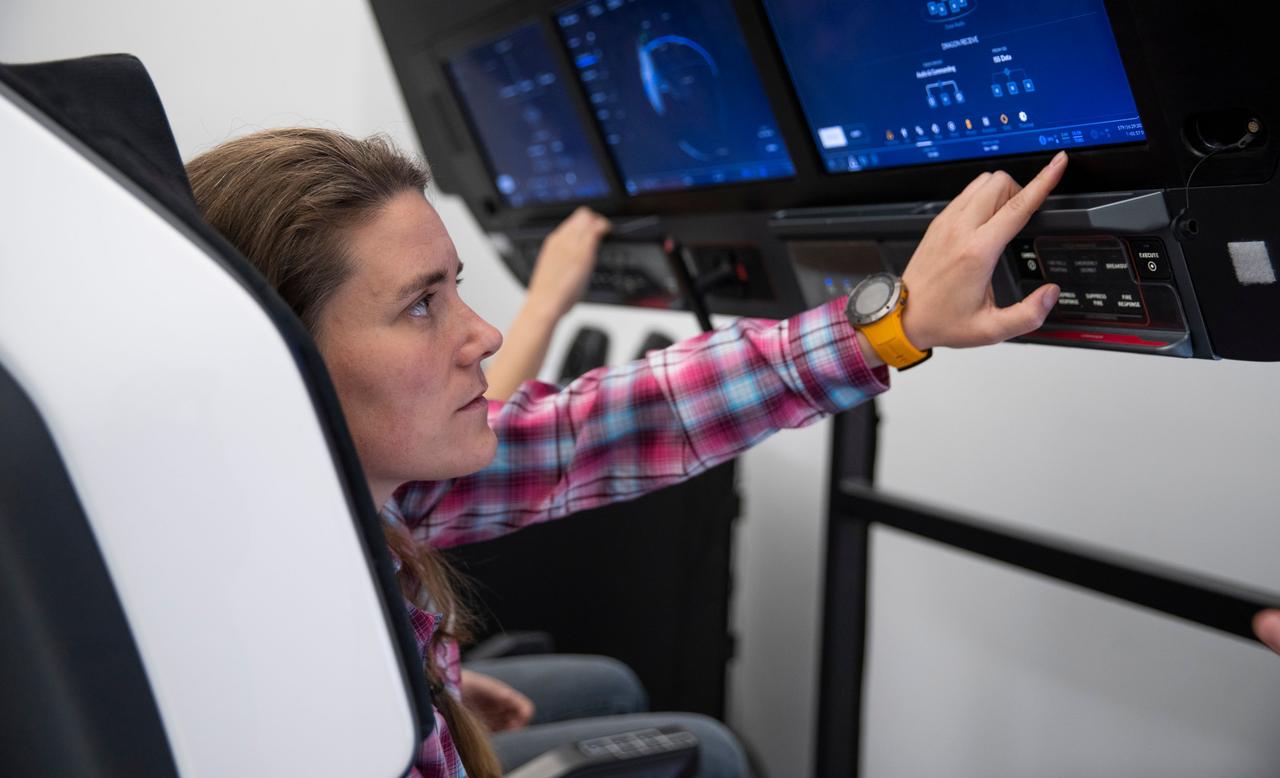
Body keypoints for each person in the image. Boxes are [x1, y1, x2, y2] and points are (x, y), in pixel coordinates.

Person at [185, 127, 1066, 778]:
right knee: (708, 752)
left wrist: (893, 325)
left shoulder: (367, 493)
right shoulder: (302, 654)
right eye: (422, 305)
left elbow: (608, 424)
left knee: (604, 686)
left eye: (456, 289)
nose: (485, 335)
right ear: (281, 353)